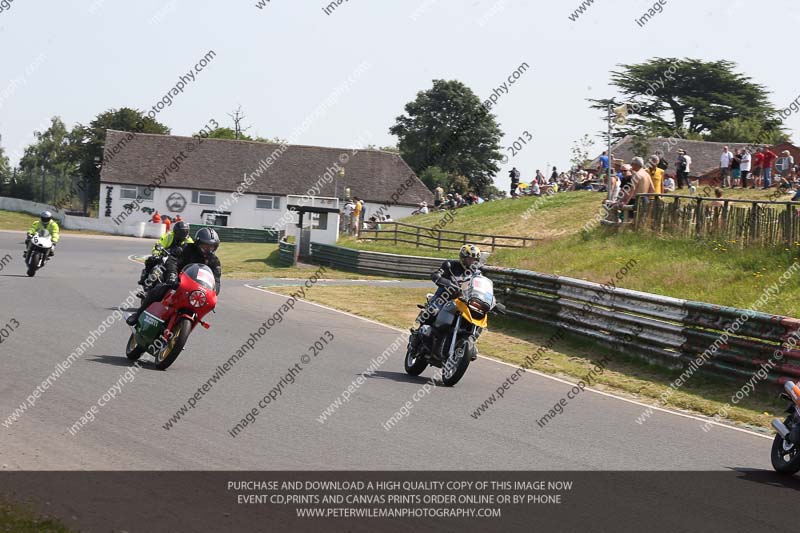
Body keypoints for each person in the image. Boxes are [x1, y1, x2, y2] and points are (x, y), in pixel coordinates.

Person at [127, 228, 222, 326]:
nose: (209, 249)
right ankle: (138, 314)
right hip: (177, 280)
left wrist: (214, 293)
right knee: (158, 290)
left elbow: (216, 281)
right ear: (198, 243)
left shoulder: (214, 261)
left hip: (196, 289)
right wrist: (172, 274)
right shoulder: (187, 248)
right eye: (205, 246)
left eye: (212, 247)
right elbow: (172, 260)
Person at [416, 244, 482, 327]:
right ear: (463, 258)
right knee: (433, 311)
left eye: (474, 260)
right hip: (444, 298)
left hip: (464, 301)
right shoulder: (451, 265)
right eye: (469, 259)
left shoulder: (477, 273)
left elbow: (481, 286)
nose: (472, 262)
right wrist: (447, 283)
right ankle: (420, 332)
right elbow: (436, 274)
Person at [139, 221, 193, 286]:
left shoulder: (189, 241)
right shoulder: (169, 236)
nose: (183, 234)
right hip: (165, 255)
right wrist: (157, 253)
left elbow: (192, 252)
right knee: (152, 259)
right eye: (181, 232)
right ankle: (145, 278)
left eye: (185, 232)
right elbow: (158, 244)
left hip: (178, 259)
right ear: (176, 231)